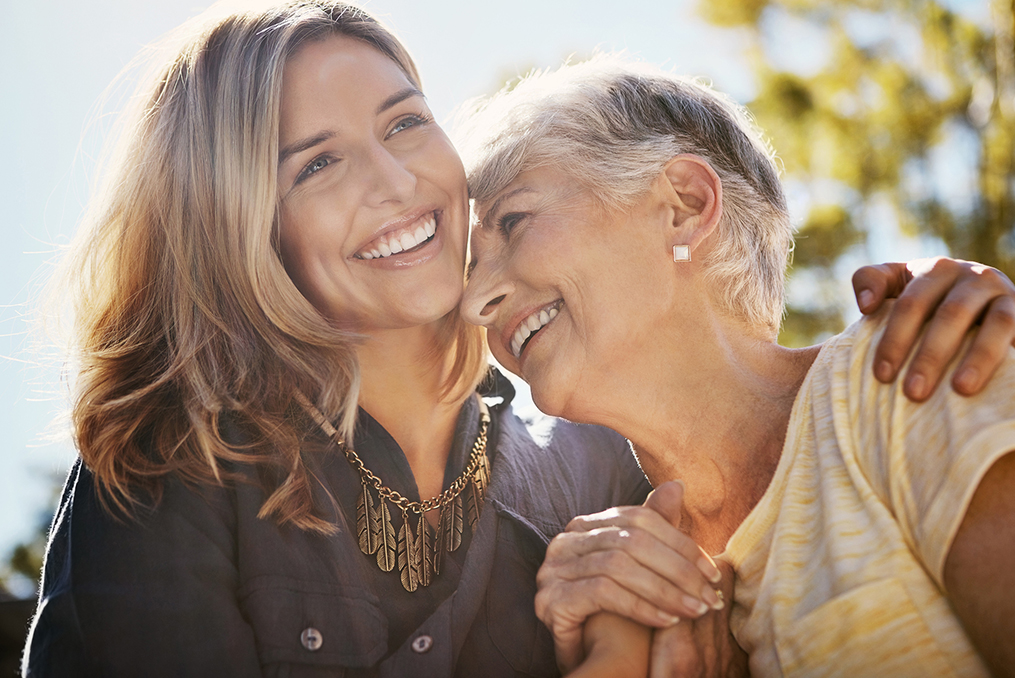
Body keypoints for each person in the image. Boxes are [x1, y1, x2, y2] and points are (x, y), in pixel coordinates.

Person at [22, 3, 1014, 676]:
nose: (477, 286)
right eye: (316, 164)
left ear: (682, 204)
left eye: (515, 221)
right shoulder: (185, 470)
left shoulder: (903, 387)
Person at [459, 56, 1015, 677]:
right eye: (467, 269)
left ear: (685, 206)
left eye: (513, 222)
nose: (475, 301)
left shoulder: (911, 373)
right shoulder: (615, 586)